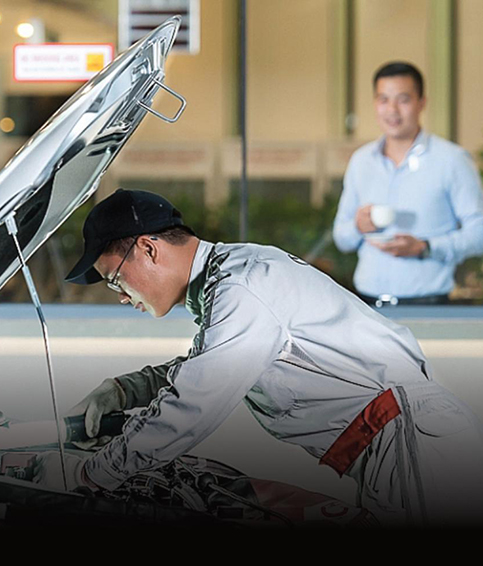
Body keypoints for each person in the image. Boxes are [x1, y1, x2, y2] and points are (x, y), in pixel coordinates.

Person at [34, 188, 483, 528]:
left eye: (115, 279)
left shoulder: (242, 288)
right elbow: (206, 366)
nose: (120, 296)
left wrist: (90, 476)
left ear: (149, 249)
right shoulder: (234, 277)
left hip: (410, 442)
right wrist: (121, 391)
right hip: (396, 444)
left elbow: (193, 403)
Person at [332, 61, 483, 305]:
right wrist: (358, 226)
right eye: (383, 100)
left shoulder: (452, 160)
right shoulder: (361, 161)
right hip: (367, 304)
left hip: (429, 305)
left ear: (421, 103)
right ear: (375, 103)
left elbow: (479, 233)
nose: (392, 110)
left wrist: (425, 247)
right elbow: (341, 237)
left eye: (403, 100)